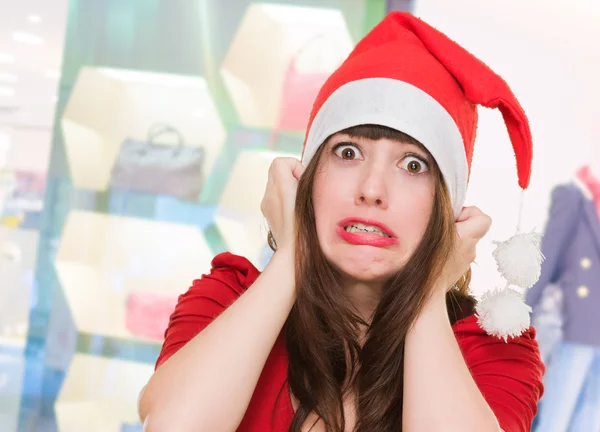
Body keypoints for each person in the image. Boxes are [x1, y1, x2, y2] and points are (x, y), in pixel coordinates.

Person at [138, 12, 544, 432]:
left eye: (413, 164)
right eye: (348, 152)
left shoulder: (491, 351)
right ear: (306, 179)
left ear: (446, 204)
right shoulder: (227, 299)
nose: (372, 189)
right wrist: (293, 257)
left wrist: (426, 294)